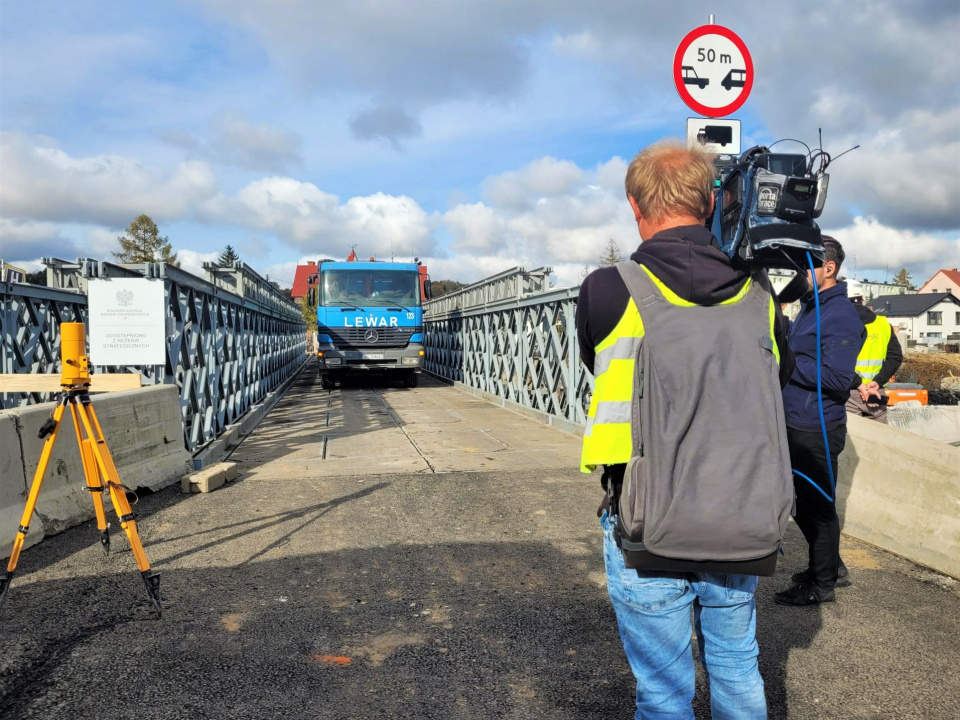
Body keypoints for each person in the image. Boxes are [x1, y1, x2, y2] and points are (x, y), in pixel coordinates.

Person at [577, 140, 796, 719]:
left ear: (634, 204)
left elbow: (594, 364)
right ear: (709, 204)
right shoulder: (757, 292)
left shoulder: (606, 289)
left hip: (644, 518)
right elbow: (784, 370)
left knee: (664, 691)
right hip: (738, 514)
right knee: (736, 663)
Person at [774, 237, 864, 606]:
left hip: (817, 428)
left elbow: (839, 379)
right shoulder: (811, 308)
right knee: (802, 503)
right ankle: (831, 565)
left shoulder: (840, 314)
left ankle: (821, 582)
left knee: (817, 507)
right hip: (796, 420)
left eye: (806, 266)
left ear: (829, 268)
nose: (800, 274)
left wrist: (786, 358)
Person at [846, 294, 902, 424]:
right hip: (876, 391)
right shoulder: (883, 324)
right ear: (863, 300)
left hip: (849, 391)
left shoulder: (840, 324)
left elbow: (834, 360)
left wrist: (859, 385)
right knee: (879, 439)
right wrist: (877, 382)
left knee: (850, 439)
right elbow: (895, 357)